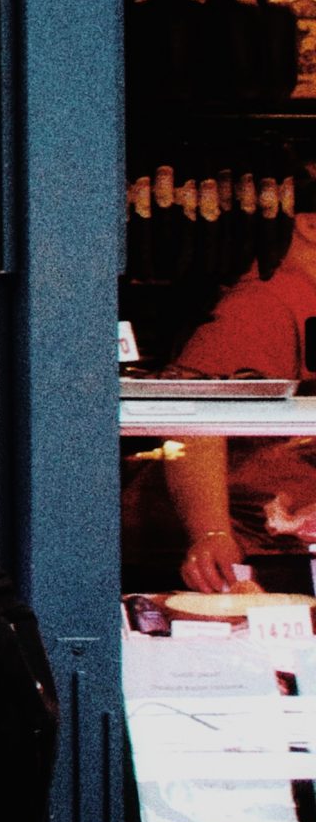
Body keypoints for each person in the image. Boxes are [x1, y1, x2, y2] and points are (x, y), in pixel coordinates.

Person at [145, 209, 316, 594]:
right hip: (255, 561)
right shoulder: (262, 305)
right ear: (309, 224)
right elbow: (193, 418)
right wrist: (211, 532)